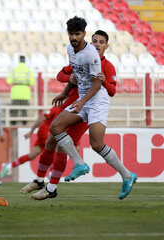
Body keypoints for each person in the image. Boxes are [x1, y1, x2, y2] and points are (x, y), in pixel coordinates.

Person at [41, 17, 136, 200]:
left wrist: (82, 102)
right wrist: (66, 92)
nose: (74, 37)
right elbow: (76, 73)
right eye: (71, 34)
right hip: (83, 99)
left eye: (77, 34)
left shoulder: (92, 54)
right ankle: (80, 164)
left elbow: (97, 84)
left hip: (96, 100)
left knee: (97, 144)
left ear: (84, 34)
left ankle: (127, 175)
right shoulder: (70, 49)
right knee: (55, 127)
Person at [24, 29, 119, 200]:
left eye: (101, 42)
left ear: (107, 46)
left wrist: (102, 82)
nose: (97, 44)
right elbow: (61, 75)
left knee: (62, 145)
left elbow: (111, 90)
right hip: (71, 104)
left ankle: (51, 187)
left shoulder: (106, 65)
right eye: (94, 41)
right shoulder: (82, 56)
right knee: (50, 140)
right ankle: (40, 180)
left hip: (85, 107)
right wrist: (69, 81)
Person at [0, 106, 60, 178]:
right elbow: (41, 119)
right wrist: (31, 132)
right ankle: (51, 173)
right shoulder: (57, 108)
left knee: (32, 155)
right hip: (46, 132)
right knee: (55, 149)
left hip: (48, 133)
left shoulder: (67, 110)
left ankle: (8, 166)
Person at [6, 55, 35, 125]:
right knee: (24, 110)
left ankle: (13, 123)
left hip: (16, 92)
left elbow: (9, 81)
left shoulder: (14, 69)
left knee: (14, 110)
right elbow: (32, 82)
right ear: (25, 60)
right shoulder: (28, 70)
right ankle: (24, 123)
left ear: (19, 60)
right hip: (25, 92)